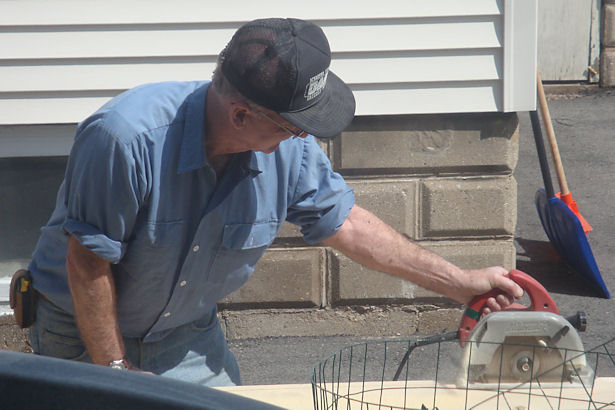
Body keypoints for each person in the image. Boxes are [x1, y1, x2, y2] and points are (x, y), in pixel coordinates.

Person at [26, 18, 523, 386]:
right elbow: (87, 263)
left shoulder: (291, 148)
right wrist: (116, 374)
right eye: (292, 125)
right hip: (80, 336)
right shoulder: (125, 139)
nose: (303, 137)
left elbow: (346, 223)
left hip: (186, 337)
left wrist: (461, 283)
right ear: (241, 115)